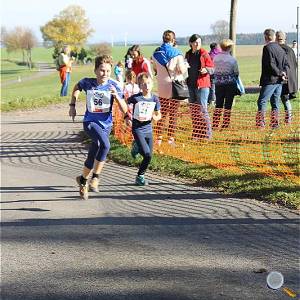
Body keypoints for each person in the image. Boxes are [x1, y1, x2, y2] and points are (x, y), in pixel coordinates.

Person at [68, 55, 128, 200]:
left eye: (108, 71)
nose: (105, 74)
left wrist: (117, 97)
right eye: (102, 70)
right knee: (105, 145)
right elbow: (77, 87)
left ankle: (82, 180)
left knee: (93, 153)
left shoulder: (114, 86)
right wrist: (72, 105)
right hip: (90, 122)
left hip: (106, 125)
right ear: (95, 70)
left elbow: (125, 109)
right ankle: (95, 178)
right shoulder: (88, 82)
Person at [152, 30, 187, 146]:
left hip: (161, 86)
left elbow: (155, 70)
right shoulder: (177, 53)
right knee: (173, 114)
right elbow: (182, 70)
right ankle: (171, 139)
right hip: (174, 86)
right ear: (173, 40)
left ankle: (158, 139)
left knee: (161, 113)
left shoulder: (156, 54)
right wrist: (184, 66)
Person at [125, 73, 161, 186]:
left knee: (149, 155)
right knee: (146, 154)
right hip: (137, 129)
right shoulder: (136, 98)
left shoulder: (155, 98)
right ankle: (136, 147)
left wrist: (155, 117)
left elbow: (159, 114)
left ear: (152, 83)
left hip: (148, 129)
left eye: (149, 83)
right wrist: (126, 116)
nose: (147, 86)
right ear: (140, 86)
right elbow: (124, 103)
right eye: (143, 84)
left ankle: (140, 175)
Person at [256, 29, 288, 129]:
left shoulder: (267, 48)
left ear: (265, 37)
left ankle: (260, 124)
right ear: (274, 37)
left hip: (270, 80)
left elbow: (270, 64)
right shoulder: (280, 48)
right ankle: (275, 124)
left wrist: (279, 73)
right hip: (279, 81)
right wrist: (283, 73)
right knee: (275, 102)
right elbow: (286, 64)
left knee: (262, 101)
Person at [185, 34, 214, 140]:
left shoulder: (204, 53)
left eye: (199, 42)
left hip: (202, 85)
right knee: (194, 111)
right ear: (190, 43)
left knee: (203, 110)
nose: (197, 44)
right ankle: (197, 134)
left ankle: (207, 134)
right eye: (195, 42)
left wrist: (206, 69)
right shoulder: (188, 54)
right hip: (190, 86)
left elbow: (212, 68)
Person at [212, 39, 239, 129]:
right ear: (229, 47)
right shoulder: (232, 60)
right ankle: (225, 124)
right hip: (229, 84)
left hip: (218, 84)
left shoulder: (215, 58)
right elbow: (236, 72)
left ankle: (215, 123)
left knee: (218, 104)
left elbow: (214, 70)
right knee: (228, 104)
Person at [276, 31, 298, 124]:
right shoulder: (290, 49)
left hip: (283, 78)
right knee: (285, 99)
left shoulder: (278, 49)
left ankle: (287, 120)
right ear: (285, 38)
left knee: (283, 99)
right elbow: (295, 64)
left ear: (276, 38)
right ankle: (287, 119)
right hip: (291, 78)